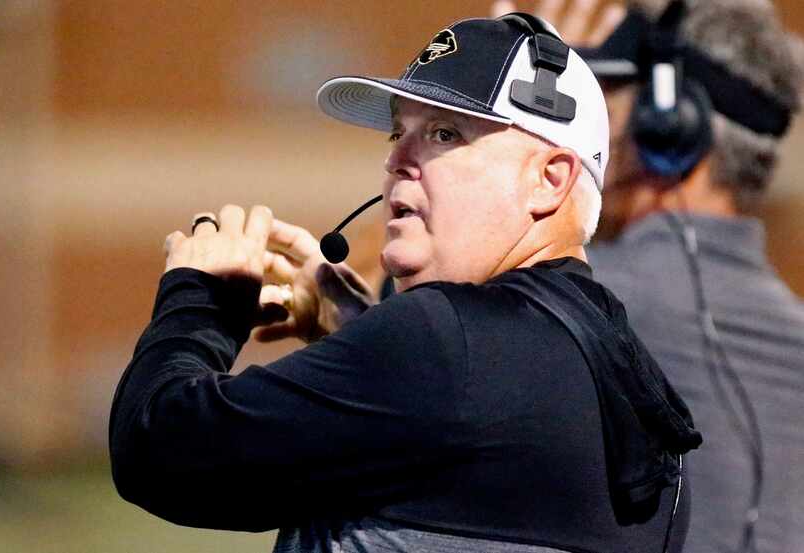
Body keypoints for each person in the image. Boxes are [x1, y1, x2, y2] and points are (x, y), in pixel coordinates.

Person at [109, 13, 702, 553]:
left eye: (446, 134)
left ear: (549, 180)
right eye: (399, 133)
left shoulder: (442, 343)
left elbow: (157, 449)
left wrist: (200, 300)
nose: (397, 162)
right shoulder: (625, 367)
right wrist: (361, 333)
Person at [490, 1, 804, 552]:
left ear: (667, 123)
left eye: (602, 100)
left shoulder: (584, 300)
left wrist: (506, 125)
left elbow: (401, 289)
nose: (582, 123)